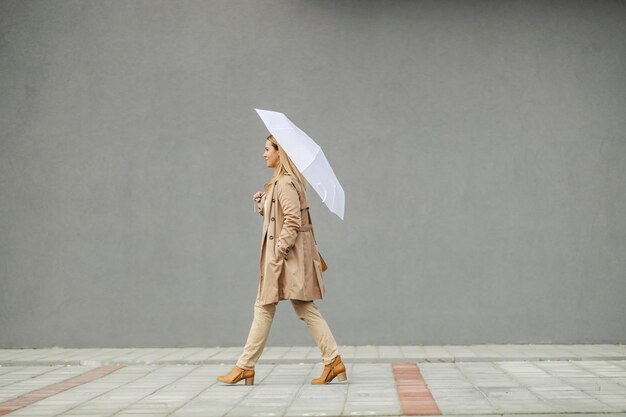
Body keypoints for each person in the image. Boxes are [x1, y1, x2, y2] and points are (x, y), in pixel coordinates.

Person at [216, 134, 346, 386]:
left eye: (267, 149)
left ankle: (245, 367)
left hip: (285, 259)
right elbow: (280, 217)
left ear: (280, 152)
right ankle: (333, 361)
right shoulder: (283, 182)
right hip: (289, 259)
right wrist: (263, 205)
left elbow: (293, 222)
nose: (263, 154)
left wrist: (279, 250)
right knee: (302, 309)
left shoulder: (285, 183)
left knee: (265, 307)